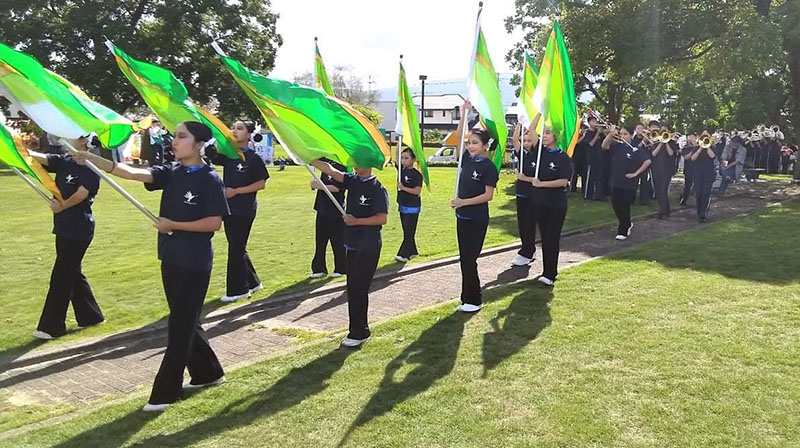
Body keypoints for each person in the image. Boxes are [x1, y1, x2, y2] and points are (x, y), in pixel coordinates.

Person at [73, 121, 228, 412]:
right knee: (186, 319)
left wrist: (173, 224)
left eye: (182, 137)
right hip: (170, 256)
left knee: (179, 326)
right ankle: (209, 372)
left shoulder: (210, 179)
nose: (175, 141)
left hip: (194, 262)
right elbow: (131, 172)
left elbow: (214, 223)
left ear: (199, 144)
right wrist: (92, 159)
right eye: (174, 136)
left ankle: (165, 392)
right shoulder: (172, 171)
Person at [26, 137, 105, 340]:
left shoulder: (91, 164)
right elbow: (38, 157)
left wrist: (62, 205)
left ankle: (51, 327)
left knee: (61, 276)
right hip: (62, 226)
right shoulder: (65, 160)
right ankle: (91, 316)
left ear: (82, 140)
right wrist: (14, 144)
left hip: (79, 228)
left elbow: (82, 193)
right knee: (72, 272)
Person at [310, 158, 389, 347]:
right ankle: (359, 329)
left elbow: (381, 218)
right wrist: (308, 157)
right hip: (352, 244)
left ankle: (359, 331)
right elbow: (329, 169)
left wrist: (356, 221)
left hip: (368, 245)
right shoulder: (352, 180)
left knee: (358, 289)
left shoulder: (377, 188)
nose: (355, 163)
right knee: (353, 289)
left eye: (359, 160)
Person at [206, 120, 269, 303]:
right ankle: (253, 282)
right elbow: (213, 156)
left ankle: (238, 290)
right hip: (229, 208)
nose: (234, 131)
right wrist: (212, 140)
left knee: (235, 247)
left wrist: (237, 191)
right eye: (233, 127)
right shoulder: (230, 156)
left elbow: (261, 184)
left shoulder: (253, 158)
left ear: (249, 135)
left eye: (239, 128)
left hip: (245, 208)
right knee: (237, 246)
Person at [451, 100, 499, 312]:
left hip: (477, 218)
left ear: (485, 146)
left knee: (470, 259)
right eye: (470, 143)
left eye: (475, 143)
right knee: (464, 259)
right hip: (462, 218)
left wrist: (463, 202)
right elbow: (459, 137)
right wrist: (464, 113)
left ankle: (475, 300)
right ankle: (466, 298)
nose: (470, 146)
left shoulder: (488, 166)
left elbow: (487, 196)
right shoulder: (467, 159)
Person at [526, 121, 572, 286]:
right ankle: (547, 271)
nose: (544, 136)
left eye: (548, 133)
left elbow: (563, 181)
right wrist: (540, 111)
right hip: (540, 202)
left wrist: (542, 184)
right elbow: (531, 130)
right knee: (544, 237)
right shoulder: (540, 153)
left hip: (556, 205)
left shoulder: (563, 157)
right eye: (543, 132)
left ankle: (550, 274)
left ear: (556, 136)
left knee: (552, 238)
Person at [602, 125, 652, 240]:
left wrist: (635, 173)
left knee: (624, 207)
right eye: (621, 134)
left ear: (631, 135)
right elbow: (604, 146)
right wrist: (610, 134)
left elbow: (647, 161)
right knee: (616, 206)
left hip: (628, 183)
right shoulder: (617, 146)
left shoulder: (636, 149)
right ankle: (627, 223)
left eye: (625, 134)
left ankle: (623, 230)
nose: (623, 136)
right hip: (615, 181)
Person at [310, 157, 347, 278]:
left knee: (337, 241)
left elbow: (337, 188)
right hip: (322, 207)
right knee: (320, 240)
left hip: (336, 210)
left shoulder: (342, 166)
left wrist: (318, 185)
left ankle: (341, 268)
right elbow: (312, 157)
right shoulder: (325, 162)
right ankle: (319, 268)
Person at [510, 122, 538, 266]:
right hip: (521, 194)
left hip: (534, 195)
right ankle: (526, 249)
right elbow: (514, 140)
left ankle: (527, 251)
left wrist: (525, 178)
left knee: (529, 223)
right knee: (522, 224)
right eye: (524, 140)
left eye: (529, 140)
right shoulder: (522, 154)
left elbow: (537, 179)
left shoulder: (539, 156)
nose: (526, 143)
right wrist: (520, 123)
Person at [395, 148, 423, 263]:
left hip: (412, 207)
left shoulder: (417, 175)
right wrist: (398, 140)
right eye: (403, 158)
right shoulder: (402, 170)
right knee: (407, 231)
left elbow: (417, 191)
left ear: (413, 160)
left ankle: (403, 254)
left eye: (406, 158)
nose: (403, 160)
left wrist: (403, 188)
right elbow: (396, 156)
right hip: (402, 204)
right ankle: (412, 252)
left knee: (409, 232)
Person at [649, 124, 678, 218]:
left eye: (665, 130)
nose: (663, 132)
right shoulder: (656, 141)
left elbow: (671, 153)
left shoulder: (672, 143)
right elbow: (653, 154)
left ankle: (661, 211)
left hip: (667, 170)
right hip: (656, 169)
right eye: (662, 130)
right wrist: (661, 142)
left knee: (663, 191)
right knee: (658, 190)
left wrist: (666, 143)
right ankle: (667, 209)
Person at [691, 131, 717, 222]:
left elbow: (712, 156)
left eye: (707, 136)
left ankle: (703, 214)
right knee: (698, 194)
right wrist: (700, 148)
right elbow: (693, 158)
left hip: (708, 174)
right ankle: (699, 211)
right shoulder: (696, 148)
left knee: (706, 194)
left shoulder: (712, 147)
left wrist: (707, 146)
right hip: (698, 174)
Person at [582, 117, 606, 201]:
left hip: (600, 157)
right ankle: (587, 195)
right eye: (593, 121)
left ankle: (599, 196)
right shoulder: (588, 133)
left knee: (599, 177)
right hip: (591, 157)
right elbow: (591, 144)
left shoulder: (599, 133)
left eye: (595, 121)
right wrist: (597, 134)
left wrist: (606, 132)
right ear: (589, 123)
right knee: (590, 176)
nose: (595, 122)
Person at [680, 132, 698, 206]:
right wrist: (694, 149)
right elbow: (686, 157)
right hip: (689, 169)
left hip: (698, 168)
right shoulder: (685, 147)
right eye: (689, 137)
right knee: (688, 185)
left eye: (692, 137)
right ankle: (684, 199)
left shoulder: (700, 146)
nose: (690, 139)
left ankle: (698, 201)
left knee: (697, 185)